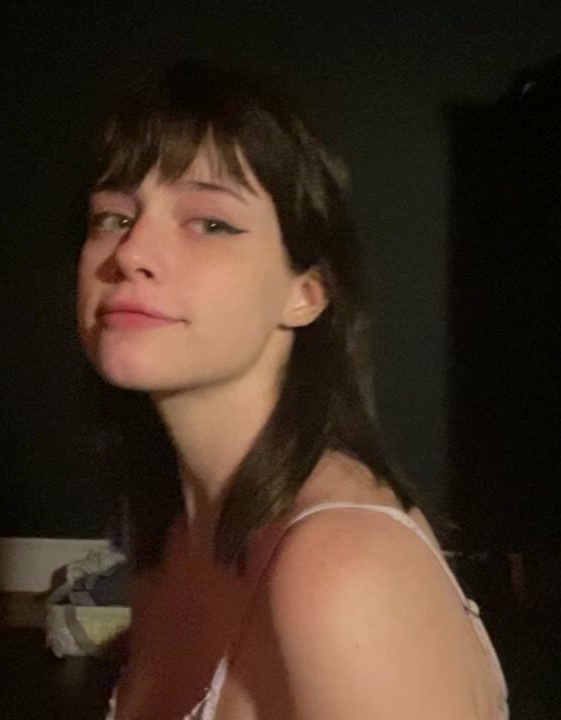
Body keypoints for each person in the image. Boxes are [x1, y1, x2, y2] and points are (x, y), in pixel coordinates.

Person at [76, 60, 509, 720]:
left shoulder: (344, 571)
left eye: (210, 222)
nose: (130, 252)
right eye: (112, 216)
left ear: (305, 294)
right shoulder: (167, 533)